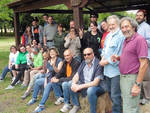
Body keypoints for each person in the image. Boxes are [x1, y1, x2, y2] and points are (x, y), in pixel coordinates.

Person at [111, 17, 148, 113]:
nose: (124, 29)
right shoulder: (126, 40)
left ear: (133, 27)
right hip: (124, 78)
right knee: (131, 106)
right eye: (122, 27)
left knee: (129, 109)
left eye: (126, 26)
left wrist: (137, 85)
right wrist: (119, 57)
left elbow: (144, 64)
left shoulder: (139, 40)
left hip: (132, 79)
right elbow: (131, 56)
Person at [68, 48, 106, 113]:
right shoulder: (83, 62)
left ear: (93, 54)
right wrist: (74, 83)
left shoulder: (98, 64)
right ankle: (76, 105)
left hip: (98, 87)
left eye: (88, 54)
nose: (86, 56)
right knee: (69, 83)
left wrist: (79, 86)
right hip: (85, 84)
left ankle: (92, 111)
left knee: (90, 90)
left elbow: (95, 83)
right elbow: (77, 75)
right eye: (85, 55)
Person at [100, 15, 124, 113]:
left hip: (116, 71)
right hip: (107, 70)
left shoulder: (121, 36)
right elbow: (104, 49)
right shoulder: (109, 35)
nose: (111, 26)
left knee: (115, 95)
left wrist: (105, 61)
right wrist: (102, 57)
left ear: (117, 24)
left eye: (113, 24)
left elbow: (119, 54)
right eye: (109, 24)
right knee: (110, 93)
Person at [136, 9, 150, 104]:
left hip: (145, 56)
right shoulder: (137, 27)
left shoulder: (147, 27)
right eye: (137, 15)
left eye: (140, 15)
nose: (138, 17)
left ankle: (147, 98)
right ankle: (141, 97)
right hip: (137, 57)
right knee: (139, 77)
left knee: (145, 78)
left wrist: (139, 42)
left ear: (144, 17)